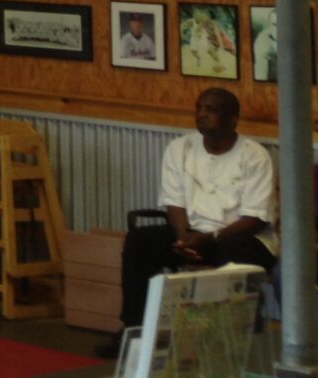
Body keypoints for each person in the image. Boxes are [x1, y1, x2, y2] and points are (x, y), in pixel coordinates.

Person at [100, 88, 277, 353]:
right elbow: (174, 202)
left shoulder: (254, 155)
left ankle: (229, 341)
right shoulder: (179, 148)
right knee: (140, 241)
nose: (202, 115)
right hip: (192, 234)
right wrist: (183, 238)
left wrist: (209, 239)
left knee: (234, 250)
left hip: (239, 237)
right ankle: (134, 329)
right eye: (199, 108)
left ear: (232, 120)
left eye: (211, 110)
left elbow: (255, 218)